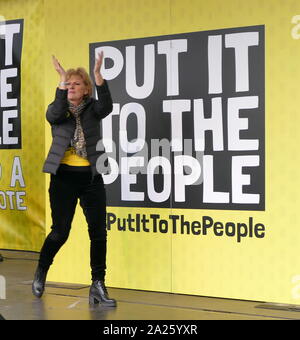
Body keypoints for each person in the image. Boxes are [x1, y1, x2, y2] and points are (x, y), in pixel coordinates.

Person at [32, 53, 116, 307]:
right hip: (64, 178)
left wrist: (99, 76)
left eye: (76, 83)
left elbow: (107, 106)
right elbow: (55, 115)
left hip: (91, 176)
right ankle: (41, 270)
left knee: (98, 232)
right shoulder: (55, 109)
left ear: (86, 89)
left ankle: (98, 285)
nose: (71, 87)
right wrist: (60, 80)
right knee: (60, 232)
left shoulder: (94, 108)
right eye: (67, 84)